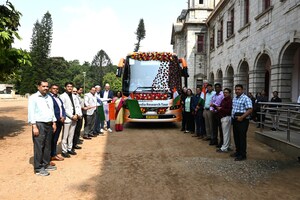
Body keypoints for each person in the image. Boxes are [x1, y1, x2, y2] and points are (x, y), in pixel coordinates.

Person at [28, 80, 57, 176]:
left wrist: (53, 122)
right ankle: (38, 168)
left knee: (47, 145)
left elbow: (51, 110)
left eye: (47, 86)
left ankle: (46, 164)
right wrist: (34, 126)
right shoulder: (33, 98)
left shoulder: (49, 97)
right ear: (38, 87)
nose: (46, 88)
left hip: (49, 124)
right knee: (39, 146)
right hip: (39, 124)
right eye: (43, 86)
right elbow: (31, 112)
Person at [60, 82, 82, 158]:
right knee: (65, 136)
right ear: (65, 87)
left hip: (75, 118)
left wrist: (77, 114)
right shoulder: (62, 96)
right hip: (67, 118)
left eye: (71, 86)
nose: (70, 88)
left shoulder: (74, 96)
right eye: (68, 86)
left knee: (71, 135)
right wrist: (71, 116)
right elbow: (63, 108)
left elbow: (77, 106)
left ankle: (70, 148)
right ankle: (64, 150)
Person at [231, 84, 253, 161]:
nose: (237, 91)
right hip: (235, 120)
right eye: (236, 89)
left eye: (239, 89)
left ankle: (243, 154)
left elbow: (250, 110)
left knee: (242, 137)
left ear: (242, 90)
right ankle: (238, 152)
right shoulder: (235, 98)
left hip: (243, 120)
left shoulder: (246, 98)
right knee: (236, 137)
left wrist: (242, 117)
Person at [49, 84, 66, 162]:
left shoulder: (58, 98)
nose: (55, 90)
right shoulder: (49, 98)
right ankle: (49, 156)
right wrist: (58, 118)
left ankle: (53, 154)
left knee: (55, 139)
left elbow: (62, 108)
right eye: (53, 88)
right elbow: (51, 110)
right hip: (54, 122)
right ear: (50, 89)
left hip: (60, 121)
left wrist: (63, 116)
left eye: (57, 89)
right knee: (51, 139)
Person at [216, 88, 232, 152]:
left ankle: (224, 147)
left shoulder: (229, 100)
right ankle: (228, 146)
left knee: (225, 133)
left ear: (229, 93)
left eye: (226, 92)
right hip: (222, 117)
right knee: (227, 133)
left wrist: (220, 109)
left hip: (226, 117)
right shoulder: (224, 100)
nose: (225, 93)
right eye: (224, 92)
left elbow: (229, 110)